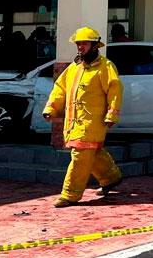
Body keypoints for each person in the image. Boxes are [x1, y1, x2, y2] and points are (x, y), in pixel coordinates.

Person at [42, 27, 123, 208]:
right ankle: (111, 177)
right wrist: (51, 108)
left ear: (95, 45)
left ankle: (70, 194)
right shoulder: (74, 67)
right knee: (92, 153)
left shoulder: (105, 67)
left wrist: (112, 114)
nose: (80, 47)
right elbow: (60, 88)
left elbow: (115, 91)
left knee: (80, 156)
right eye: (78, 44)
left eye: (84, 43)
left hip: (93, 123)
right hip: (74, 123)